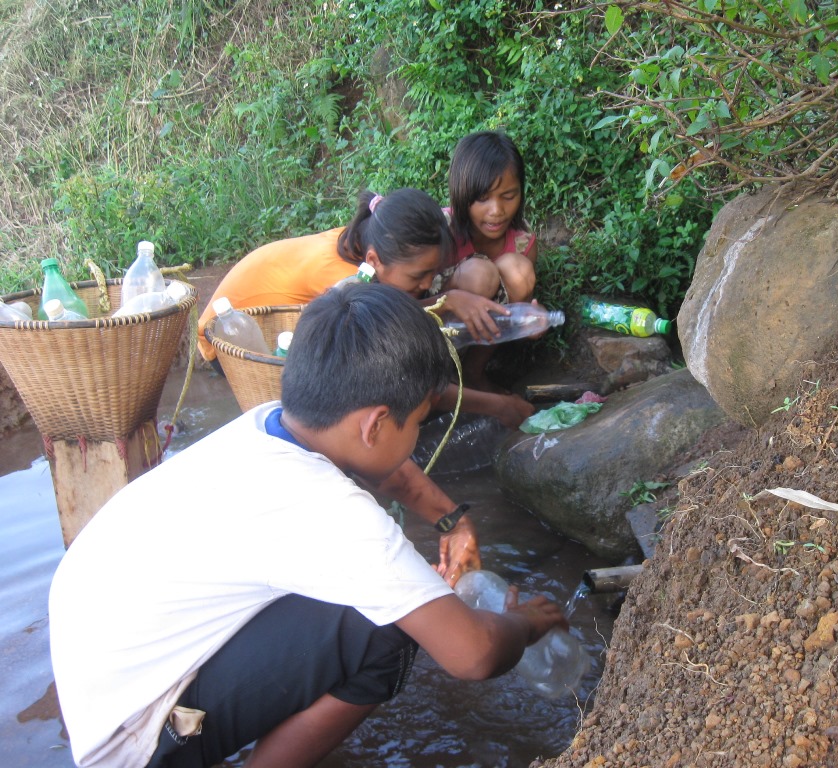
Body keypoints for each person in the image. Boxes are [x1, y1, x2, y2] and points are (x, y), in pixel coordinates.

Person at [49, 283, 568, 768]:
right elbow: (473, 654)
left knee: (375, 596)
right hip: (131, 741)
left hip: (98, 682)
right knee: (384, 629)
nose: (416, 437)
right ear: (375, 424)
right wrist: (522, 625)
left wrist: (451, 520)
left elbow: (386, 468)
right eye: (418, 423)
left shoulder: (269, 423)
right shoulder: (331, 512)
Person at [196, 188, 534, 428]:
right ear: (373, 260)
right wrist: (498, 406)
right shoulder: (344, 282)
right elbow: (407, 371)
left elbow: (404, 307)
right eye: (420, 276)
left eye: (433, 274)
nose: (428, 284)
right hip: (234, 345)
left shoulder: (373, 245)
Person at [438, 131, 546, 391]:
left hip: (479, 339)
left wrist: (530, 323)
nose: (497, 211)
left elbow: (511, 321)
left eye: (508, 196)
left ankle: (472, 374)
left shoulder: (522, 242)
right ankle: (439, 374)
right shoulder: (440, 229)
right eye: (483, 198)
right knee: (480, 274)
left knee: (518, 270)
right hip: (434, 331)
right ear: (462, 193)